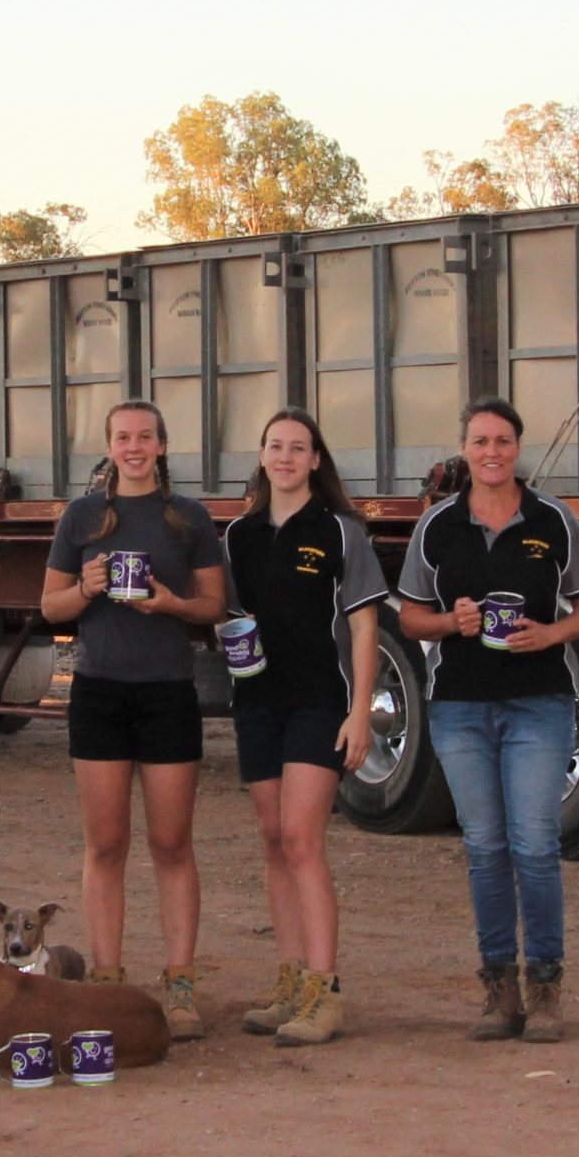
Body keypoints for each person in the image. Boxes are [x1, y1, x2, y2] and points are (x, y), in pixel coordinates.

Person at [396, 396, 579, 1044]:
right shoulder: (437, 525)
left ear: (518, 447)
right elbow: (409, 615)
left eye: (504, 440)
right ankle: (498, 990)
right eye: (481, 440)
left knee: (536, 846)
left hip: (538, 702)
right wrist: (449, 623)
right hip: (460, 706)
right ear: (465, 448)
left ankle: (546, 987)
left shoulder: (552, 519)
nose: (493, 451)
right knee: (485, 849)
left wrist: (551, 634)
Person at [37, 399, 227, 1040]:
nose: (135, 446)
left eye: (146, 436)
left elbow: (213, 607)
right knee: (106, 845)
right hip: (98, 692)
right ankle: (109, 987)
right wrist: (88, 587)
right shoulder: (82, 516)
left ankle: (179, 985)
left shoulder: (190, 518)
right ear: (110, 446)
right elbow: (50, 606)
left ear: (163, 445)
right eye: (123, 437)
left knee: (172, 845)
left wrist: (173, 604)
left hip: (168, 691)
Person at [221, 408, 383, 1047]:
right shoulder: (238, 536)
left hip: (321, 701)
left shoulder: (342, 533)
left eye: (298, 448)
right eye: (275, 446)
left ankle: (324, 991)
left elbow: (366, 624)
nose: (285, 457)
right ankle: (288, 983)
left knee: (301, 837)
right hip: (258, 701)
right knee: (271, 838)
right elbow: (229, 619)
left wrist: (361, 710)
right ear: (261, 456)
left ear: (317, 460)